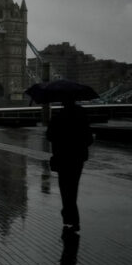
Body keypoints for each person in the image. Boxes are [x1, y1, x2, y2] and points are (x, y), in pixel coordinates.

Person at [46, 99, 93, 232]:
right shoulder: (82, 118)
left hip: (62, 157)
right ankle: (70, 216)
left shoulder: (58, 117)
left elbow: (49, 136)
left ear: (63, 103)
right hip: (77, 158)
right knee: (73, 187)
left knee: (64, 188)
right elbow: (90, 139)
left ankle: (69, 215)